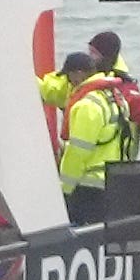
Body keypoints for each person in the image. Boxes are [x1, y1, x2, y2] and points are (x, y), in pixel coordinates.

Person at [53, 62, 128, 225]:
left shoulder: (87, 106)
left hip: (88, 187)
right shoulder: (115, 99)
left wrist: (64, 190)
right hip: (113, 181)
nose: (68, 82)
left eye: (69, 76)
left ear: (79, 73)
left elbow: (78, 153)